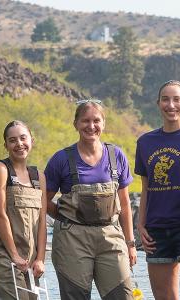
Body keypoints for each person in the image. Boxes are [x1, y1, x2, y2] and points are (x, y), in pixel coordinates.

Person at [43, 100, 138, 299]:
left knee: (124, 295)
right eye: (85, 121)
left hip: (111, 237)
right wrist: (63, 216)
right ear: (75, 124)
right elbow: (43, 200)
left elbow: (126, 204)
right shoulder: (60, 159)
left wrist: (130, 244)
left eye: (96, 120)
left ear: (103, 123)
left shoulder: (116, 155)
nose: (91, 126)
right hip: (72, 240)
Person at [134, 80, 180, 300]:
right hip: (156, 230)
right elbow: (146, 187)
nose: (171, 105)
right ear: (158, 104)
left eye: (177, 99)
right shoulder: (146, 142)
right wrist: (141, 224)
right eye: (165, 99)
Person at [0, 120, 49, 300]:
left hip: (30, 259)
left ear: (32, 140)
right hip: (4, 255)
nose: (19, 144)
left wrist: (40, 259)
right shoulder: (0, 170)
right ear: (5, 145)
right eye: (12, 140)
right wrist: (14, 255)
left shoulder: (39, 177)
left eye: (23, 138)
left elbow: (42, 220)